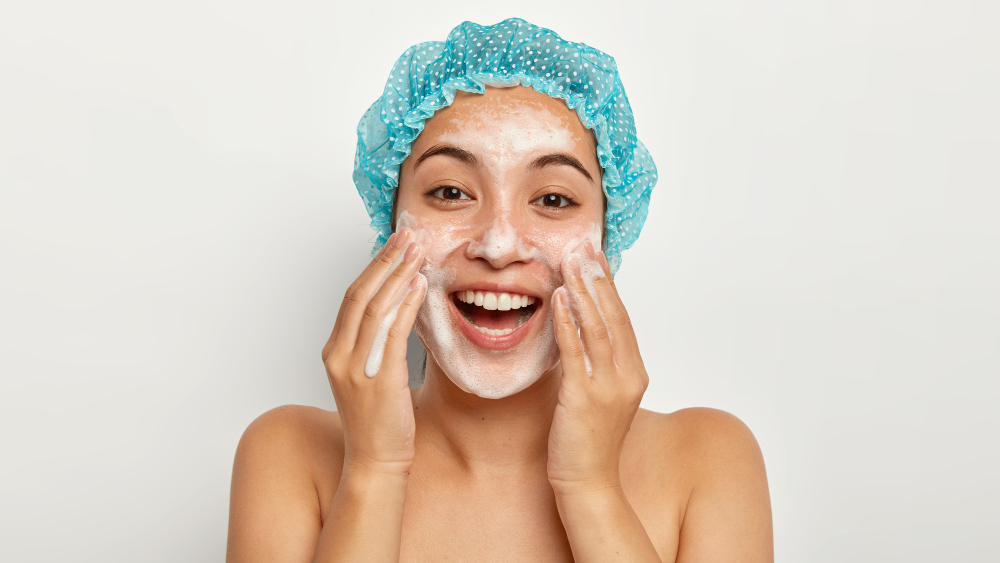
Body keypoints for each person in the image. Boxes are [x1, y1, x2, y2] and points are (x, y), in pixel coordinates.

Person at [226, 18, 773, 562]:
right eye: (450, 191)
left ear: (609, 237)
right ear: (391, 228)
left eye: (553, 199)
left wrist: (591, 488)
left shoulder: (709, 461)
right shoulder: (290, 457)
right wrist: (374, 470)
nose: (499, 243)